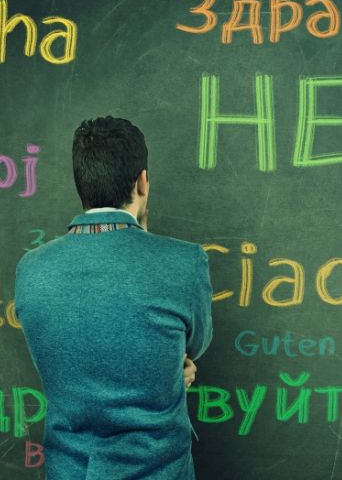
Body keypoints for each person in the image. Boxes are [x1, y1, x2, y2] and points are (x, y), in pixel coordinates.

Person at [16, 116, 212, 479]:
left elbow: (65, 359)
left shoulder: (32, 268)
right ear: (142, 181)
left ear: (82, 185)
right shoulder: (184, 262)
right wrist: (167, 371)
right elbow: (193, 346)